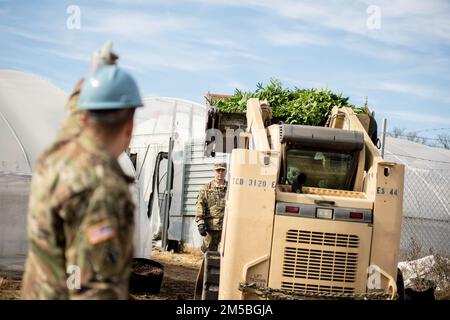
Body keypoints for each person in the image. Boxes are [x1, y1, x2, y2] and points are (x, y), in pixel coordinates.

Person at [21, 64, 143, 299]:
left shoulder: (56, 158)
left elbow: (73, 122)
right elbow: (95, 289)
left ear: (84, 118)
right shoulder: (102, 188)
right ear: (130, 126)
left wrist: (90, 84)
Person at [195, 162, 228, 252]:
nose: (220, 172)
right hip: (211, 229)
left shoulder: (231, 188)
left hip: (226, 228)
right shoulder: (206, 189)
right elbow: (200, 205)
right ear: (214, 171)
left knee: (225, 254)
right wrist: (200, 223)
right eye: (218, 170)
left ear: (226, 172)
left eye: (222, 170)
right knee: (208, 255)